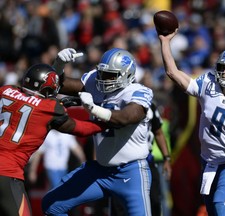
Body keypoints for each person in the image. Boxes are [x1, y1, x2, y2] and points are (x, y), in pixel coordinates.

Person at [158, 30, 225, 216]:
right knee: (211, 210)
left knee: (220, 206)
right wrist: (165, 41)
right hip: (208, 161)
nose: (224, 72)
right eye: (222, 67)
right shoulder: (208, 84)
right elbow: (172, 72)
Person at [41, 47, 154, 216]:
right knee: (52, 205)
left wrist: (94, 109)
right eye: (101, 73)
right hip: (100, 171)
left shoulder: (137, 92)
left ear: (127, 75)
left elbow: (126, 117)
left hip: (131, 172)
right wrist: (58, 65)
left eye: (110, 75)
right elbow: (60, 85)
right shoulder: (96, 82)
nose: (103, 79)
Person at [0, 63, 105, 216]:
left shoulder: (5, 90)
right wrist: (107, 122)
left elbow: (22, 107)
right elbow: (81, 129)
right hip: (6, 174)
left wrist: (61, 103)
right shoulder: (49, 108)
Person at [110, 101, 172, 216]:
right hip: (122, 164)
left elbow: (158, 132)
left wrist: (166, 158)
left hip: (146, 162)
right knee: (120, 206)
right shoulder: (114, 103)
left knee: (154, 202)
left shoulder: (147, 104)